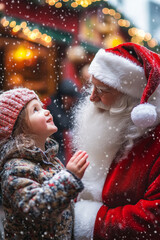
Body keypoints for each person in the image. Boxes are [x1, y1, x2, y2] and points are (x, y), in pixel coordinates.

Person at [73, 42, 160, 240]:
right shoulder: (110, 124)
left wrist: (90, 221)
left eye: (102, 90)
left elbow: (152, 218)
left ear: (130, 99)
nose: (92, 98)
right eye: (92, 87)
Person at [0, 87, 89, 239]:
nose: (46, 111)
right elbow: (36, 209)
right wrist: (69, 178)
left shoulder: (50, 160)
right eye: (35, 110)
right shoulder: (15, 168)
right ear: (20, 129)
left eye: (41, 107)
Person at [47, 79, 81, 164]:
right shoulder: (52, 104)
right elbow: (64, 123)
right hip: (57, 145)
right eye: (69, 98)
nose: (71, 101)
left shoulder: (75, 103)